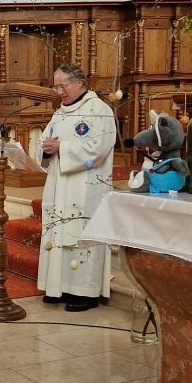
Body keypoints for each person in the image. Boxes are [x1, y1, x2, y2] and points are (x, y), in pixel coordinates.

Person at [39, 64, 116, 312]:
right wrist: (45, 148)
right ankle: (58, 286)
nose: (59, 91)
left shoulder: (99, 110)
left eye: (62, 86)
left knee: (81, 234)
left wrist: (62, 148)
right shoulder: (59, 113)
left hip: (87, 185)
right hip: (59, 185)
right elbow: (45, 141)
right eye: (56, 86)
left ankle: (86, 292)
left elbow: (99, 149)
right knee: (59, 233)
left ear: (79, 83)